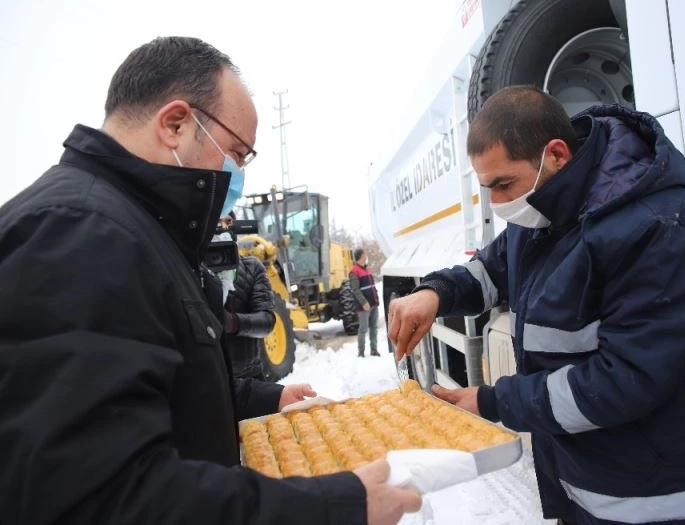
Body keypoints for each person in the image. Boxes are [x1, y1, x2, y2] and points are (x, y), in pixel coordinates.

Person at [0, 36, 420, 525]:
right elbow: (98, 495)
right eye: (237, 153)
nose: (236, 173)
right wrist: (330, 505)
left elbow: (162, 393)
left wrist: (263, 397)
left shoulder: (142, 230)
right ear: (176, 124)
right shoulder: (78, 232)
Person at [388, 86, 685, 525]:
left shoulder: (661, 230)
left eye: (503, 184)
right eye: (487, 188)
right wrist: (434, 293)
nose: (498, 205)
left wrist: (494, 401)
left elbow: (625, 381)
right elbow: (491, 271)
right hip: (589, 488)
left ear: (556, 154)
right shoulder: (544, 213)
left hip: (666, 502)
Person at [218, 211, 278, 381]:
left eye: (228, 221)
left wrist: (232, 322)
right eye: (217, 221)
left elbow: (267, 321)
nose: (223, 227)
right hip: (211, 381)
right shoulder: (191, 268)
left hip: (249, 376)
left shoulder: (252, 267)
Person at [350, 248, 380, 357]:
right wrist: (364, 303)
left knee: (374, 327)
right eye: (365, 254)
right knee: (363, 329)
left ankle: (374, 350)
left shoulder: (366, 270)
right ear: (361, 256)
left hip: (373, 304)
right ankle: (361, 352)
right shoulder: (354, 271)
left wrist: (376, 299)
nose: (366, 256)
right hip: (364, 306)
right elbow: (355, 290)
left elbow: (371, 287)